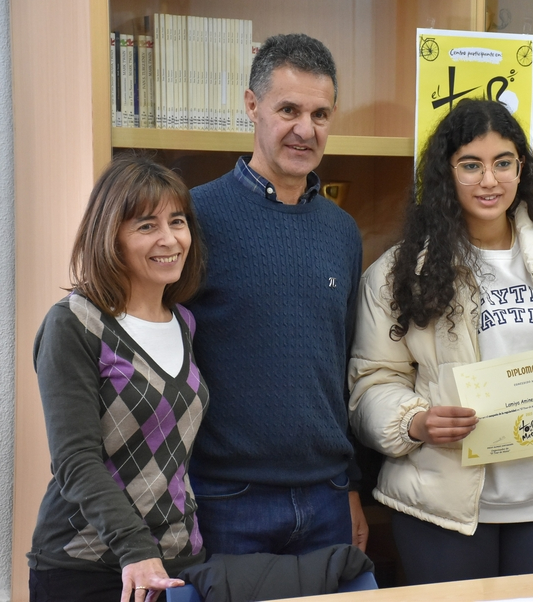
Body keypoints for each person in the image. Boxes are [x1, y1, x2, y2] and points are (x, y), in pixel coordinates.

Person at [348, 99, 533, 584]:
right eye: (471, 165)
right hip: (443, 510)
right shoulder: (399, 274)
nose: (490, 180)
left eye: (503, 163)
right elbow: (370, 385)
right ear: (446, 174)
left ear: (520, 168)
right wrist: (415, 422)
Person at [186, 33, 368, 557]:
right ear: (251, 105)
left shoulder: (343, 231)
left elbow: (345, 367)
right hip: (225, 496)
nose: (305, 130)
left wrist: (351, 485)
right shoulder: (195, 219)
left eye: (320, 114)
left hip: (330, 496)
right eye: (288, 109)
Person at [28, 155, 208, 602]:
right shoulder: (74, 323)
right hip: (88, 567)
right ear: (111, 237)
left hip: (177, 563)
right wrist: (136, 549)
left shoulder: (184, 323)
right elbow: (74, 461)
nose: (169, 239)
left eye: (177, 221)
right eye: (146, 226)